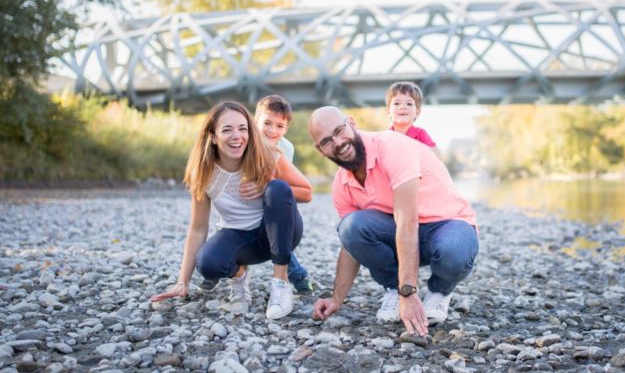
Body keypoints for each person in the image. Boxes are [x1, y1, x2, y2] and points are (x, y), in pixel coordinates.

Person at [308, 106, 479, 337]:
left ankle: (439, 292)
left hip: (447, 225)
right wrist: (336, 298)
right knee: (350, 226)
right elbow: (350, 244)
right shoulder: (342, 184)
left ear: (352, 123)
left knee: (454, 250)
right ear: (320, 150)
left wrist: (408, 292)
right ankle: (392, 287)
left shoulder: (392, 146)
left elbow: (407, 221)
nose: (338, 142)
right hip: (402, 236)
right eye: (327, 140)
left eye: (340, 130)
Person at [150, 101, 311, 320]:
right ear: (213, 136)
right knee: (207, 263)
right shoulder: (204, 172)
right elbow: (198, 228)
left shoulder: (269, 154)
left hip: (279, 233)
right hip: (239, 237)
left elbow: (307, 192)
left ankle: (280, 284)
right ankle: (241, 276)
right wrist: (182, 282)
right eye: (227, 129)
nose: (237, 136)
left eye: (242, 129)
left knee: (277, 188)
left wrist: (265, 186)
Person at [249, 95, 313, 293]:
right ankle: (218, 271)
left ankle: (296, 274)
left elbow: (284, 183)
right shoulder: (243, 141)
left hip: (269, 197)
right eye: (266, 123)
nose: (272, 130)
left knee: (276, 231)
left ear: (286, 128)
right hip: (242, 199)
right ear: (255, 121)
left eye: (279, 126)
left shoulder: (285, 148)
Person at [385, 81, 436, 148]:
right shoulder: (385, 137)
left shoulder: (420, 134)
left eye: (409, 104)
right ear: (388, 111)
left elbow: (435, 153)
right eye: (397, 103)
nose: (403, 107)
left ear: (417, 112)